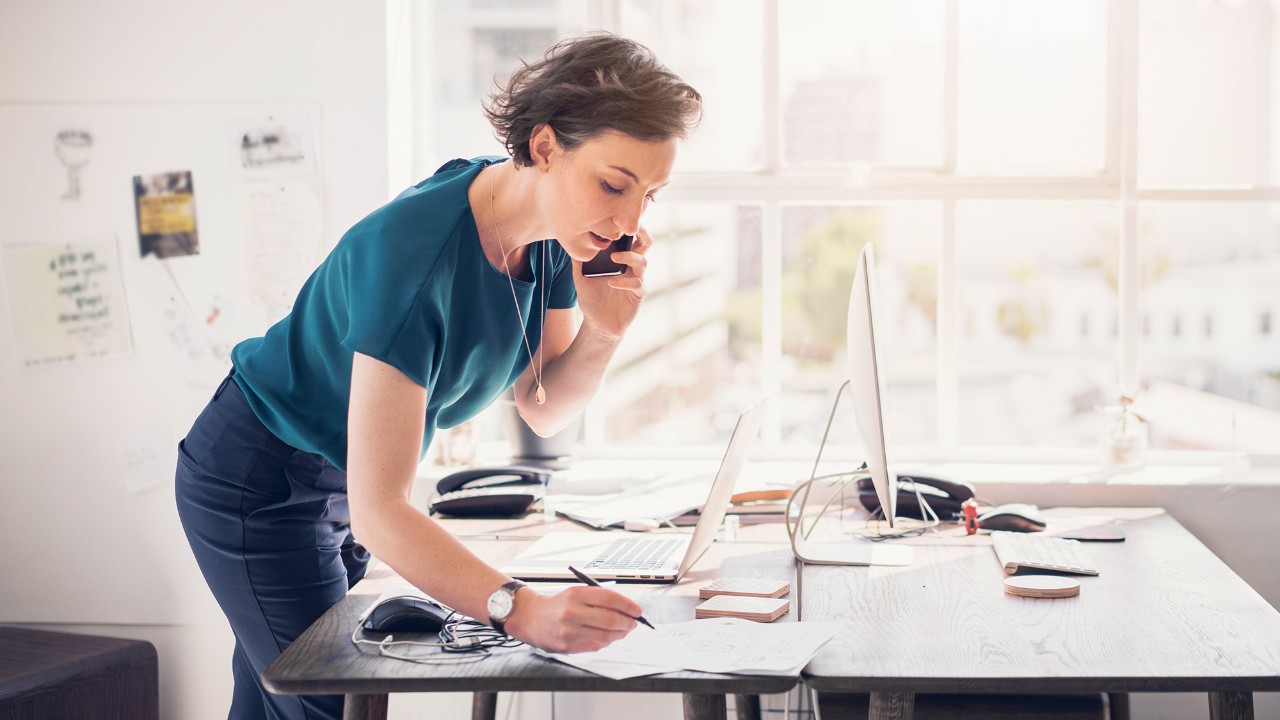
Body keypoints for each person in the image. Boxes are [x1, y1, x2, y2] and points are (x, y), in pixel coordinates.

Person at [175, 32, 702, 720]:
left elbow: (541, 406)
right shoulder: (415, 258)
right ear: (544, 147)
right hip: (259, 478)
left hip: (338, 483)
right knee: (329, 700)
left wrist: (605, 329)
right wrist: (520, 610)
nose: (629, 221)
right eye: (613, 184)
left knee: (282, 699)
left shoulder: (547, 237)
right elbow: (382, 509)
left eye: (649, 196)